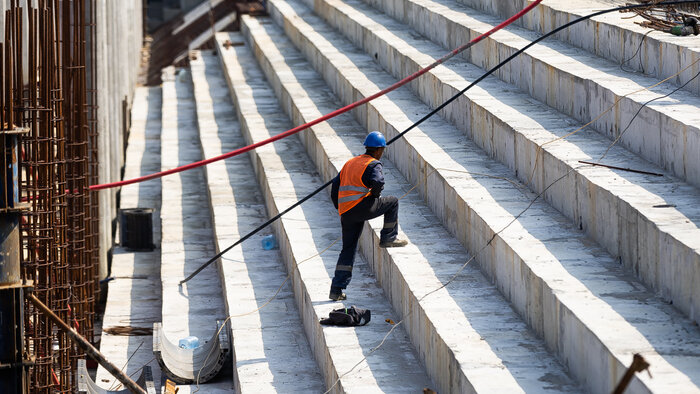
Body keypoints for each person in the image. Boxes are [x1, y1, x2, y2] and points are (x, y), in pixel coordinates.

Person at [328, 131, 407, 301]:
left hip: (346, 212)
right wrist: (374, 196)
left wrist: (340, 207)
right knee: (392, 201)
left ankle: (336, 288)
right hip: (361, 207)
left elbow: (335, 186)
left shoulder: (351, 162)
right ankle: (388, 237)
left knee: (347, 249)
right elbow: (378, 182)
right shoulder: (373, 164)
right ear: (379, 150)